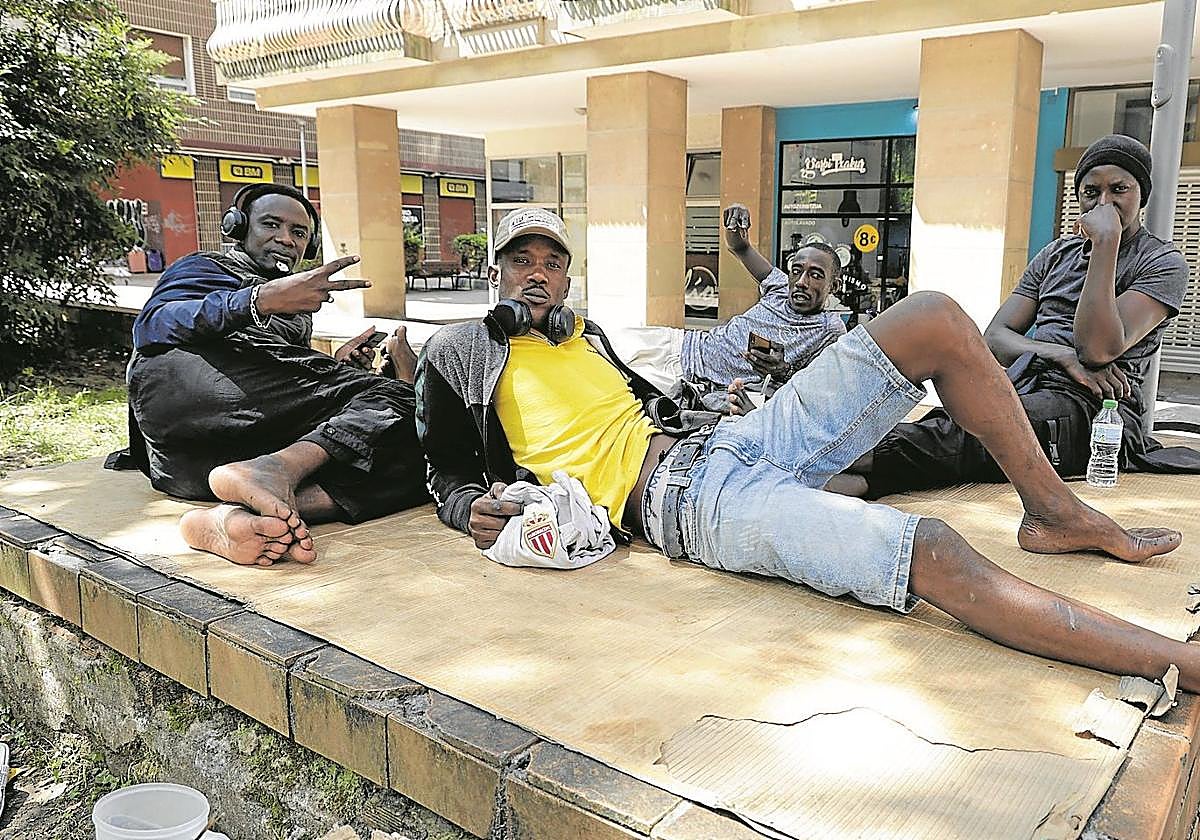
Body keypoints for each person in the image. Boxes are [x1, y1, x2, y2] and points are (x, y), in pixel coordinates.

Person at [416, 206, 1200, 695]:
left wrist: (696, 405)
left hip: (728, 441)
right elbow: (437, 468)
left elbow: (640, 409)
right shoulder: (457, 351)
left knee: (931, 315)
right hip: (686, 505)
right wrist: (466, 507)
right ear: (497, 268)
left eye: (554, 263)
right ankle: (1179, 663)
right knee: (930, 548)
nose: (540, 275)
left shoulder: (586, 338)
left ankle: (1055, 512)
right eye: (524, 259)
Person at [107, 183, 429, 566]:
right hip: (181, 404)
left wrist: (340, 369)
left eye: (298, 233)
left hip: (205, 471)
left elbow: (279, 386)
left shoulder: (298, 307)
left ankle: (239, 517)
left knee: (433, 456)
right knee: (407, 401)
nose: (285, 239)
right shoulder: (206, 266)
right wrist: (260, 300)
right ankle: (277, 471)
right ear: (239, 227)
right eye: (271, 224)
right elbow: (153, 326)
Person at [862, 134, 1200, 498]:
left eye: (1119, 189)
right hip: (1026, 385)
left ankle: (840, 462)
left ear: (1141, 195)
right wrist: (1060, 355)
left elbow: (1098, 350)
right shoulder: (1056, 255)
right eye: (1091, 192)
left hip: (1096, 411)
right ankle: (847, 470)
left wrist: (1106, 244)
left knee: (974, 433)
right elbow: (995, 338)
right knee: (953, 417)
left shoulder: (1162, 262)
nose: (1104, 203)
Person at [611, 203, 845, 393]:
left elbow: (818, 392)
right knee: (600, 343)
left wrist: (784, 372)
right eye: (797, 270)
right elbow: (740, 247)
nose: (802, 281)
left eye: (815, 275)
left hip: (689, 378)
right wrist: (735, 223)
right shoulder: (780, 286)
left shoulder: (829, 329)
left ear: (833, 286)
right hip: (680, 344)